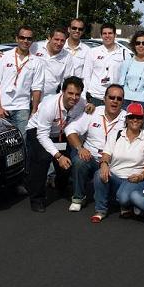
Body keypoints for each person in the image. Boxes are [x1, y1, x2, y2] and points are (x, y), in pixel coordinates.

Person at [26, 76, 86, 212]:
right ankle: (37, 198)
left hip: (60, 132)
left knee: (68, 160)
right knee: (42, 159)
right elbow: (42, 135)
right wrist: (58, 156)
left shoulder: (81, 102)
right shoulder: (49, 105)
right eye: (70, 93)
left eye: (77, 94)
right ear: (63, 92)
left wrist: (90, 107)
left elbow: (86, 108)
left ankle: (61, 187)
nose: (74, 98)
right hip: (38, 131)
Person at [65, 84, 126, 212]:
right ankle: (78, 198)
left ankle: (118, 198)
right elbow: (70, 129)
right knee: (79, 160)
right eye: (111, 97)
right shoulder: (93, 112)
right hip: (91, 158)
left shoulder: (127, 118)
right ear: (104, 99)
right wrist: (80, 148)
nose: (115, 101)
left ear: (122, 101)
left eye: (119, 99)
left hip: (113, 163)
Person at [91, 103, 144, 222]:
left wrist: (141, 176)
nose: (135, 120)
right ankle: (101, 210)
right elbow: (106, 155)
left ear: (143, 119)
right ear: (126, 119)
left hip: (134, 180)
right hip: (115, 177)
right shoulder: (116, 134)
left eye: (138, 117)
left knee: (123, 198)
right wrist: (104, 165)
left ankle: (124, 202)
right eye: (131, 117)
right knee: (99, 173)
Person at [0, 25, 45, 139]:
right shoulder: (3, 57)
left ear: (32, 41)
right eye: (22, 37)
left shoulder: (36, 62)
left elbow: (37, 88)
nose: (25, 41)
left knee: (21, 140)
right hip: (3, 107)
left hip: (22, 108)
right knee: (1, 141)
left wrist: (34, 111)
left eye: (29, 38)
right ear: (16, 38)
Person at [83, 23, 130, 107]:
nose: (107, 36)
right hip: (95, 97)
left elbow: (127, 78)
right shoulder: (92, 52)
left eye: (110, 33)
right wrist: (85, 97)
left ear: (115, 35)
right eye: (104, 33)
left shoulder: (124, 54)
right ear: (101, 35)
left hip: (114, 98)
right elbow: (86, 75)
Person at [118, 30, 144, 126]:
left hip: (142, 103)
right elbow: (120, 85)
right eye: (138, 43)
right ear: (134, 45)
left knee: (140, 131)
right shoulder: (126, 63)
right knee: (122, 129)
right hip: (125, 102)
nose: (141, 46)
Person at [32, 27, 75, 97]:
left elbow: (67, 81)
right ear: (49, 38)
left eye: (62, 41)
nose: (59, 43)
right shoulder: (35, 47)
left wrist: (61, 99)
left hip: (49, 98)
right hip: (28, 97)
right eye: (56, 39)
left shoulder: (67, 56)